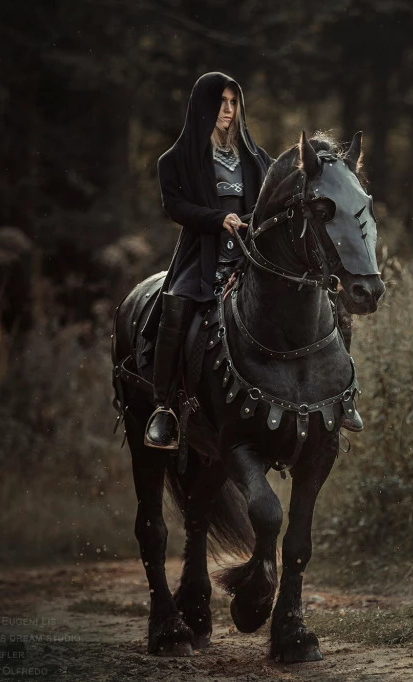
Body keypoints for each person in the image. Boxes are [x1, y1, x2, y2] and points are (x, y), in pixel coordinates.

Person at [143, 72, 273, 449]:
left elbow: (267, 205)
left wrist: (248, 222)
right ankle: (163, 408)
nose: (228, 110)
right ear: (204, 105)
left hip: (250, 259)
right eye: (221, 102)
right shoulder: (175, 160)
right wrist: (219, 219)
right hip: (201, 258)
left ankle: (326, 395)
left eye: (234, 102)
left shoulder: (257, 158)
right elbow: (175, 206)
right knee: (176, 306)